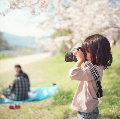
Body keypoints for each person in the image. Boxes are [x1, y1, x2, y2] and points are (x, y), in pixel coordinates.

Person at [69, 34, 112, 119]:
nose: (84, 53)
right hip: (87, 108)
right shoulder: (96, 66)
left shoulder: (93, 70)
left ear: (96, 53)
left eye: (86, 51)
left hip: (87, 112)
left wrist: (80, 60)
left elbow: (73, 74)